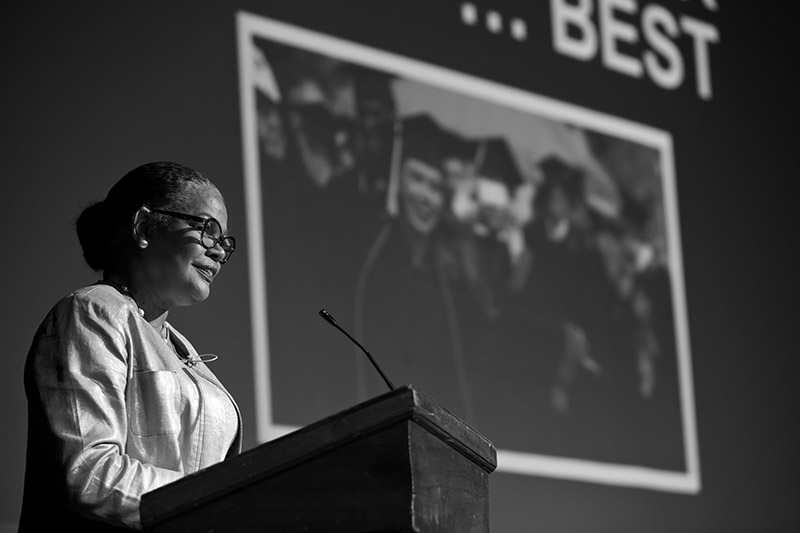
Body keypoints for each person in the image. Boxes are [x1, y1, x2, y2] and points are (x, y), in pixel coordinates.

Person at [19, 161, 242, 531]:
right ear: (143, 226)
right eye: (207, 230)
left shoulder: (182, 349)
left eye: (224, 242)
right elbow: (90, 473)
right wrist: (218, 500)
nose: (219, 251)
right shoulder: (92, 311)